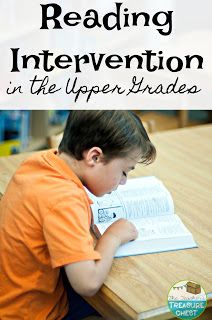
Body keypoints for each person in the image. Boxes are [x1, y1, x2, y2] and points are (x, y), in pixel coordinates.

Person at [0, 111, 156, 320]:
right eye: (124, 172)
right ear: (94, 157)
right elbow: (87, 283)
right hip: (31, 312)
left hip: (10, 297)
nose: (123, 182)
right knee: (133, 307)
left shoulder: (40, 162)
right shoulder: (64, 200)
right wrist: (113, 237)